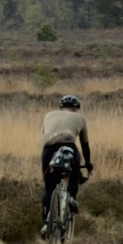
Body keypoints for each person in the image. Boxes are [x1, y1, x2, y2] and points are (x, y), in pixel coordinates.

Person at [40, 94, 92, 236]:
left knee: (49, 187)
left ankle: (46, 224)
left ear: (61, 107)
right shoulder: (80, 119)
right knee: (75, 172)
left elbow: (44, 134)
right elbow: (84, 144)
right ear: (77, 109)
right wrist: (88, 163)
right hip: (68, 146)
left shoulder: (49, 115)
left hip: (48, 150)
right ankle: (72, 198)